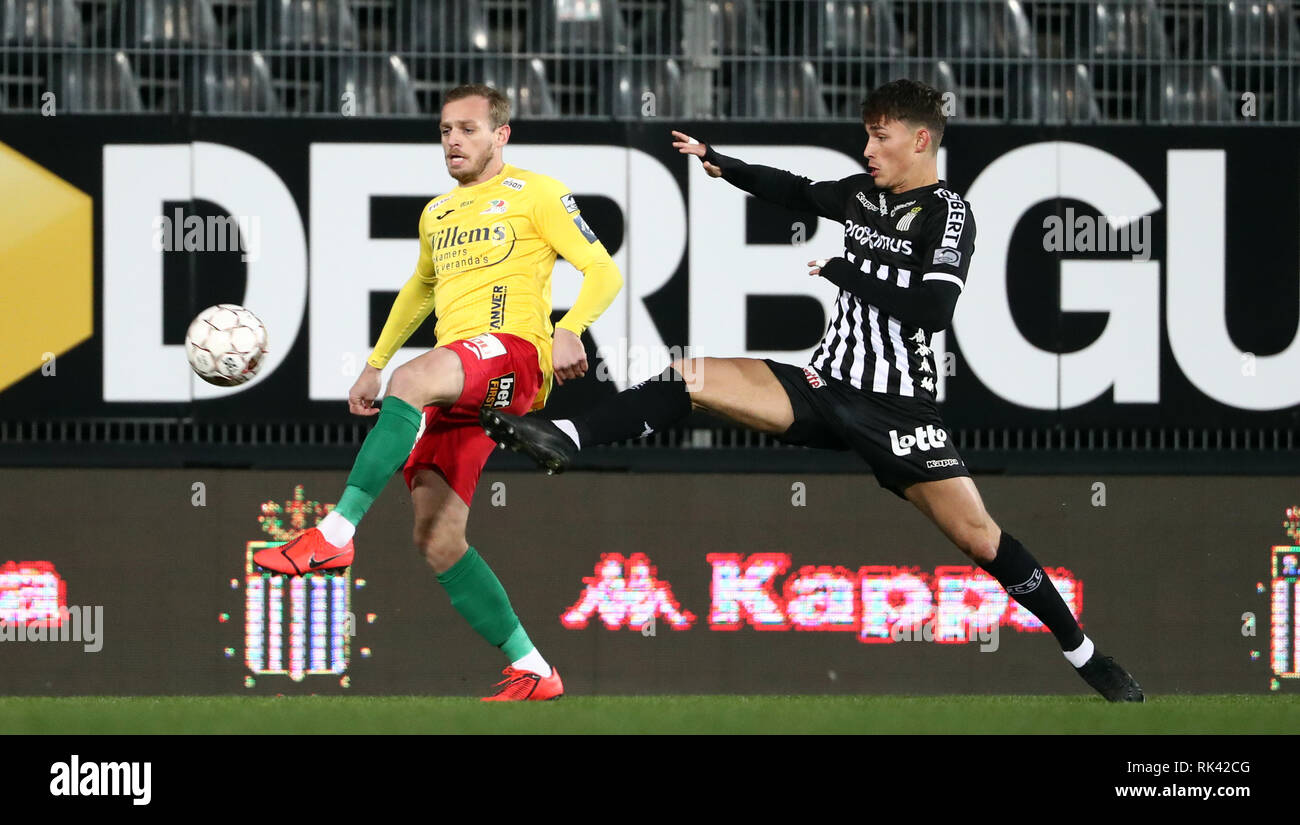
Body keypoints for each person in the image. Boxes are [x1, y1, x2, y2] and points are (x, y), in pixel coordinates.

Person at [481, 79, 1142, 701]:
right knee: (692, 375)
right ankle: (565, 436)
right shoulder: (860, 195)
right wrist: (722, 162)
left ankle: (1086, 655)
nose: (867, 149)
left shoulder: (949, 215)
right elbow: (795, 191)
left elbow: (933, 313)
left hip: (897, 413)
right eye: (866, 136)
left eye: (880, 137)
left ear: (920, 141)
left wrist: (848, 274)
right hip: (824, 385)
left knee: (981, 541)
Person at [254, 83, 623, 701]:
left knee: (414, 379)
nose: (453, 140)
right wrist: (373, 363)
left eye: (468, 130)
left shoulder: (538, 193)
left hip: (513, 354)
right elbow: (420, 289)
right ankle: (534, 668)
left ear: (501, 136)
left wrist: (570, 330)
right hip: (464, 383)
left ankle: (335, 535)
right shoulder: (438, 213)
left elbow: (603, 269)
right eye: (446, 130)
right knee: (437, 538)